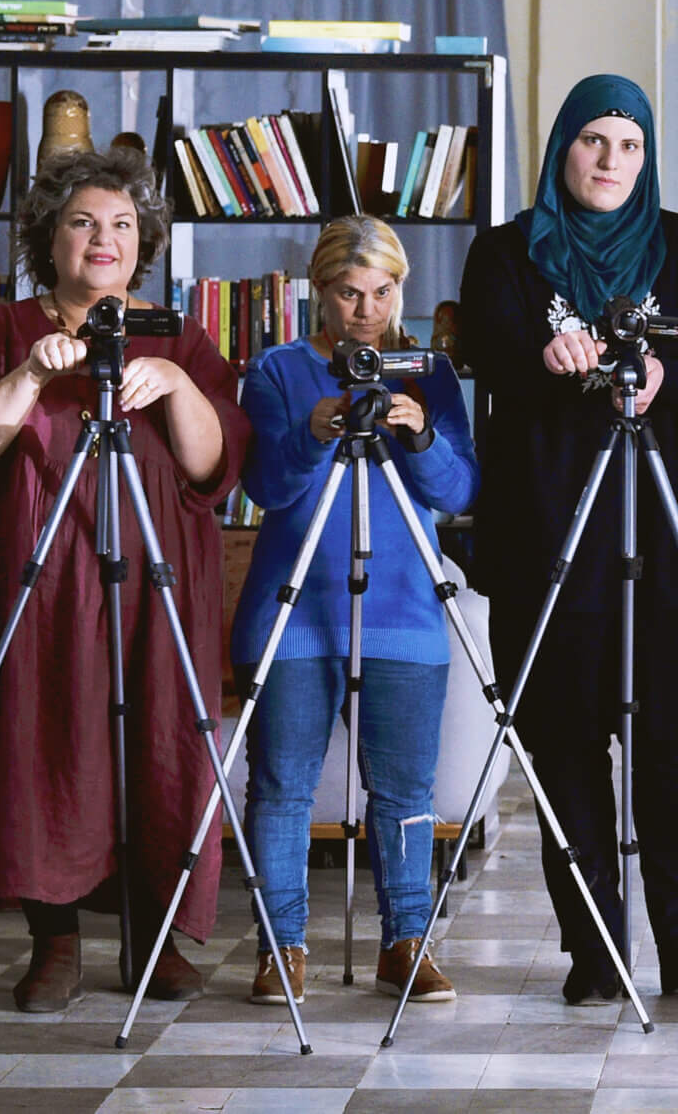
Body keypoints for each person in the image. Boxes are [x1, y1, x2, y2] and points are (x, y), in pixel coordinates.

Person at [459, 74, 678, 1003]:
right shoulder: (508, 251)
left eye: (629, 145)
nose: (611, 162)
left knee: (673, 743)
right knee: (564, 746)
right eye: (594, 142)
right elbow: (492, 349)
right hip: (548, 528)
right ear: (562, 149)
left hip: (662, 532)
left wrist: (667, 375)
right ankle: (595, 951)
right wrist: (547, 358)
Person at [0, 148, 249, 1012]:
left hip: (155, 580)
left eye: (122, 224)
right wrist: (35, 371)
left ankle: (155, 941)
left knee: (161, 742)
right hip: (39, 585)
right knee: (48, 747)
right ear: (50, 238)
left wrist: (180, 383)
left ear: (143, 241)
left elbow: (211, 463)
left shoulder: (178, 332)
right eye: (83, 222)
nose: (103, 239)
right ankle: (56, 945)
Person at [232, 215, 478, 1005]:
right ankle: (281, 947)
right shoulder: (277, 370)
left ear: (400, 289)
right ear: (320, 293)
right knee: (281, 787)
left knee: (407, 790)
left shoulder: (427, 371)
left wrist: (421, 433)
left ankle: (406, 941)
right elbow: (266, 488)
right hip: (294, 609)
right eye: (349, 292)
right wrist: (314, 430)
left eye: (383, 291)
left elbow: (459, 492)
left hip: (403, 611)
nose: (367, 310)